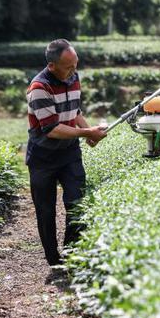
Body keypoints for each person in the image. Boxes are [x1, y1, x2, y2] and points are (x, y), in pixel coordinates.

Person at [26, 39, 107, 266]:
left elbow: (74, 110)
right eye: (69, 67)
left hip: (69, 153)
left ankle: (72, 252)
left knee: (76, 201)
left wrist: (87, 130)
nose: (74, 71)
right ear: (52, 66)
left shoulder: (73, 77)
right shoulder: (39, 88)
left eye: (76, 65)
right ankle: (53, 261)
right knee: (45, 209)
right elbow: (52, 129)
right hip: (43, 157)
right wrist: (86, 132)